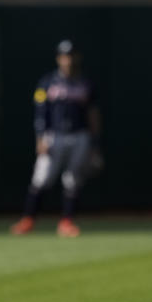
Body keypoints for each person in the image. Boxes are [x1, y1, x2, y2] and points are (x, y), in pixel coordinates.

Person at [11, 39, 101, 237]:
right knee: (42, 178)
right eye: (64, 56)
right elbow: (40, 112)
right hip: (54, 136)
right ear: (59, 58)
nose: (68, 60)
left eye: (71, 55)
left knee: (73, 180)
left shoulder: (86, 84)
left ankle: (66, 222)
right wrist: (40, 138)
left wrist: (94, 143)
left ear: (77, 57)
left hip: (80, 136)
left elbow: (93, 114)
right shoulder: (47, 82)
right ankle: (28, 219)